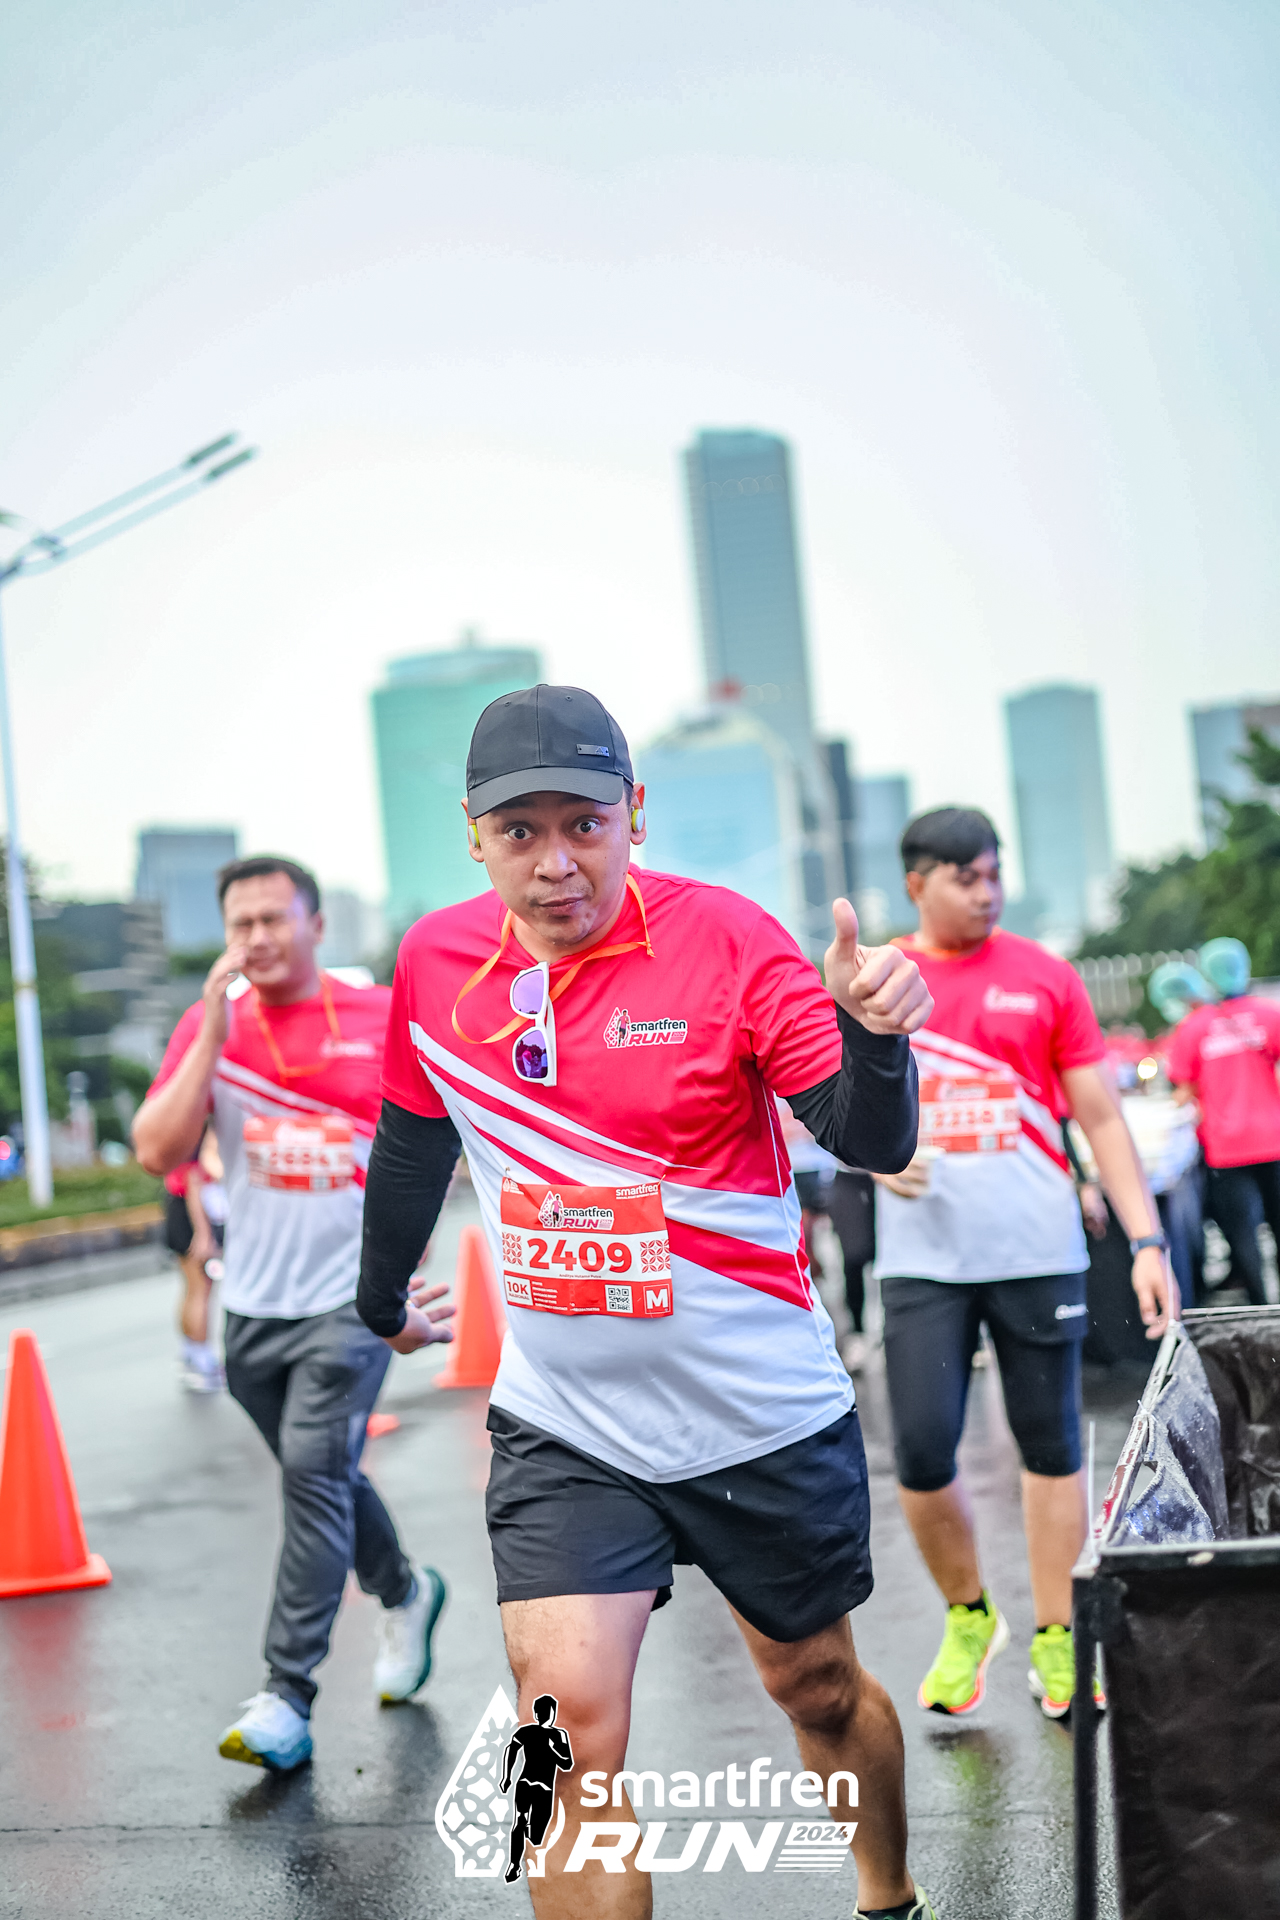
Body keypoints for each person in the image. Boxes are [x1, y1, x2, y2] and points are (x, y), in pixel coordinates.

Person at [359, 683, 941, 1920]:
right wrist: (377, 1299)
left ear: (634, 813)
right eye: (519, 832)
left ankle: (886, 1895)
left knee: (816, 1689)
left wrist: (875, 1037)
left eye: (583, 825)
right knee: (560, 1736)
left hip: (755, 1414)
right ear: (474, 836)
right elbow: (411, 1140)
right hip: (566, 1423)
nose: (554, 863)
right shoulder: (435, 963)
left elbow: (867, 1136)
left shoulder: (728, 940)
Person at [133, 855, 451, 1773]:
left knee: (313, 1476)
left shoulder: (380, 1015)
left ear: (315, 925)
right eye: (242, 924)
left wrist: (414, 1249)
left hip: (352, 1301)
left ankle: (287, 1694)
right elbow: (158, 1149)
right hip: (253, 1309)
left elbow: (444, 1130)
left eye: (275, 918)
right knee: (328, 1478)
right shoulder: (214, 1026)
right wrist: (209, 1033)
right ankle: (405, 1590)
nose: (259, 938)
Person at [872, 808, 1178, 1722]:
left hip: (1036, 1252)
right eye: (965, 876)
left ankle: (1057, 1633)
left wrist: (1148, 1243)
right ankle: (970, 1616)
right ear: (918, 883)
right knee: (922, 1451)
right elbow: (830, 1101)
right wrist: (872, 1156)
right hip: (922, 1260)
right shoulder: (881, 979)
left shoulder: (1045, 977)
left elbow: (1102, 1119)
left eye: (995, 872)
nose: (987, 891)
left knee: (1051, 1445)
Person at [1166, 937, 1280, 1308]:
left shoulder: (1194, 1028)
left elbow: (1183, 1090)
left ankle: (1262, 1312)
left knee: (1243, 1235)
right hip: (1274, 1138)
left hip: (1226, 1148)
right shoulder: (1269, 1015)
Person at [164, 1125, 227, 1393]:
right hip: (193, 1214)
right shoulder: (196, 1133)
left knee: (191, 1288)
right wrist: (204, 1234)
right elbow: (194, 1181)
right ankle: (203, 1361)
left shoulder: (181, 1132)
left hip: (180, 1209)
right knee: (201, 1289)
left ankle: (191, 1354)